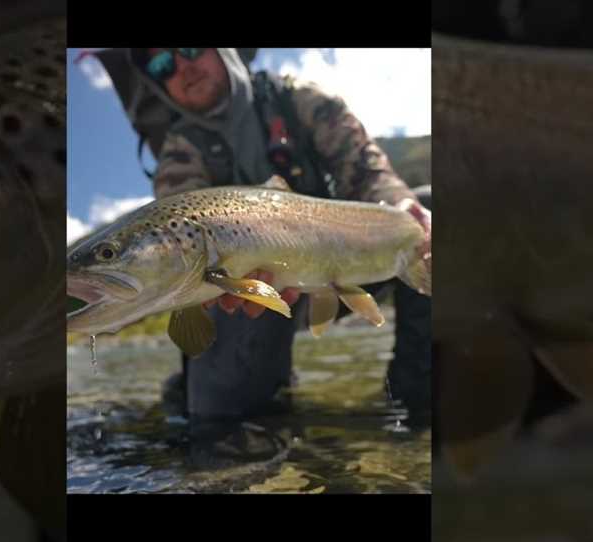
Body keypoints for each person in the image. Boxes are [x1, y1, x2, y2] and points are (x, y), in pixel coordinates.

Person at [119, 48, 431, 425]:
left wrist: (402, 204)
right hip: (250, 294)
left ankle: (418, 407)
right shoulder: (180, 151)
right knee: (221, 420)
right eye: (161, 65)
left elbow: (366, 171)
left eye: (189, 48)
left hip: (350, 260)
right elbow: (175, 245)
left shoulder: (299, 99)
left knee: (427, 215)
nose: (182, 67)